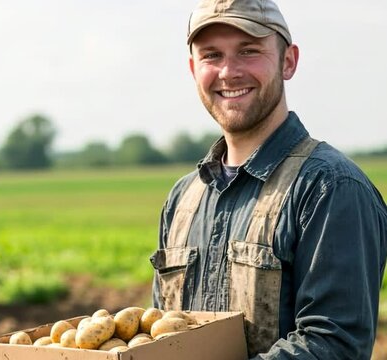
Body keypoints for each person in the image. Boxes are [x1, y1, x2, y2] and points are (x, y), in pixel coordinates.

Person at [150, 0, 387, 358]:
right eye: (211, 55)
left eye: (248, 51)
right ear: (192, 68)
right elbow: (164, 336)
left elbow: (335, 345)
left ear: (288, 61)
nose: (228, 72)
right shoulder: (183, 199)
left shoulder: (330, 187)